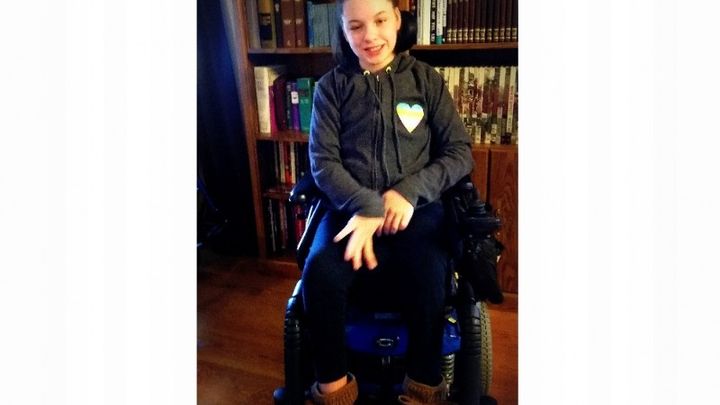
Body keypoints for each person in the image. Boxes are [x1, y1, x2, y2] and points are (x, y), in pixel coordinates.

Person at [301, 0, 474, 403]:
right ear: (343, 30)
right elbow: (323, 163)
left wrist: (408, 192)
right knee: (320, 273)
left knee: (431, 273)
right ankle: (334, 392)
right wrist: (367, 205)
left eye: (380, 20)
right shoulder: (331, 88)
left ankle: (423, 389)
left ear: (397, 19)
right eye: (356, 26)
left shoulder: (426, 80)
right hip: (349, 210)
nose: (370, 36)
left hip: (418, 210)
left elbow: (459, 152)